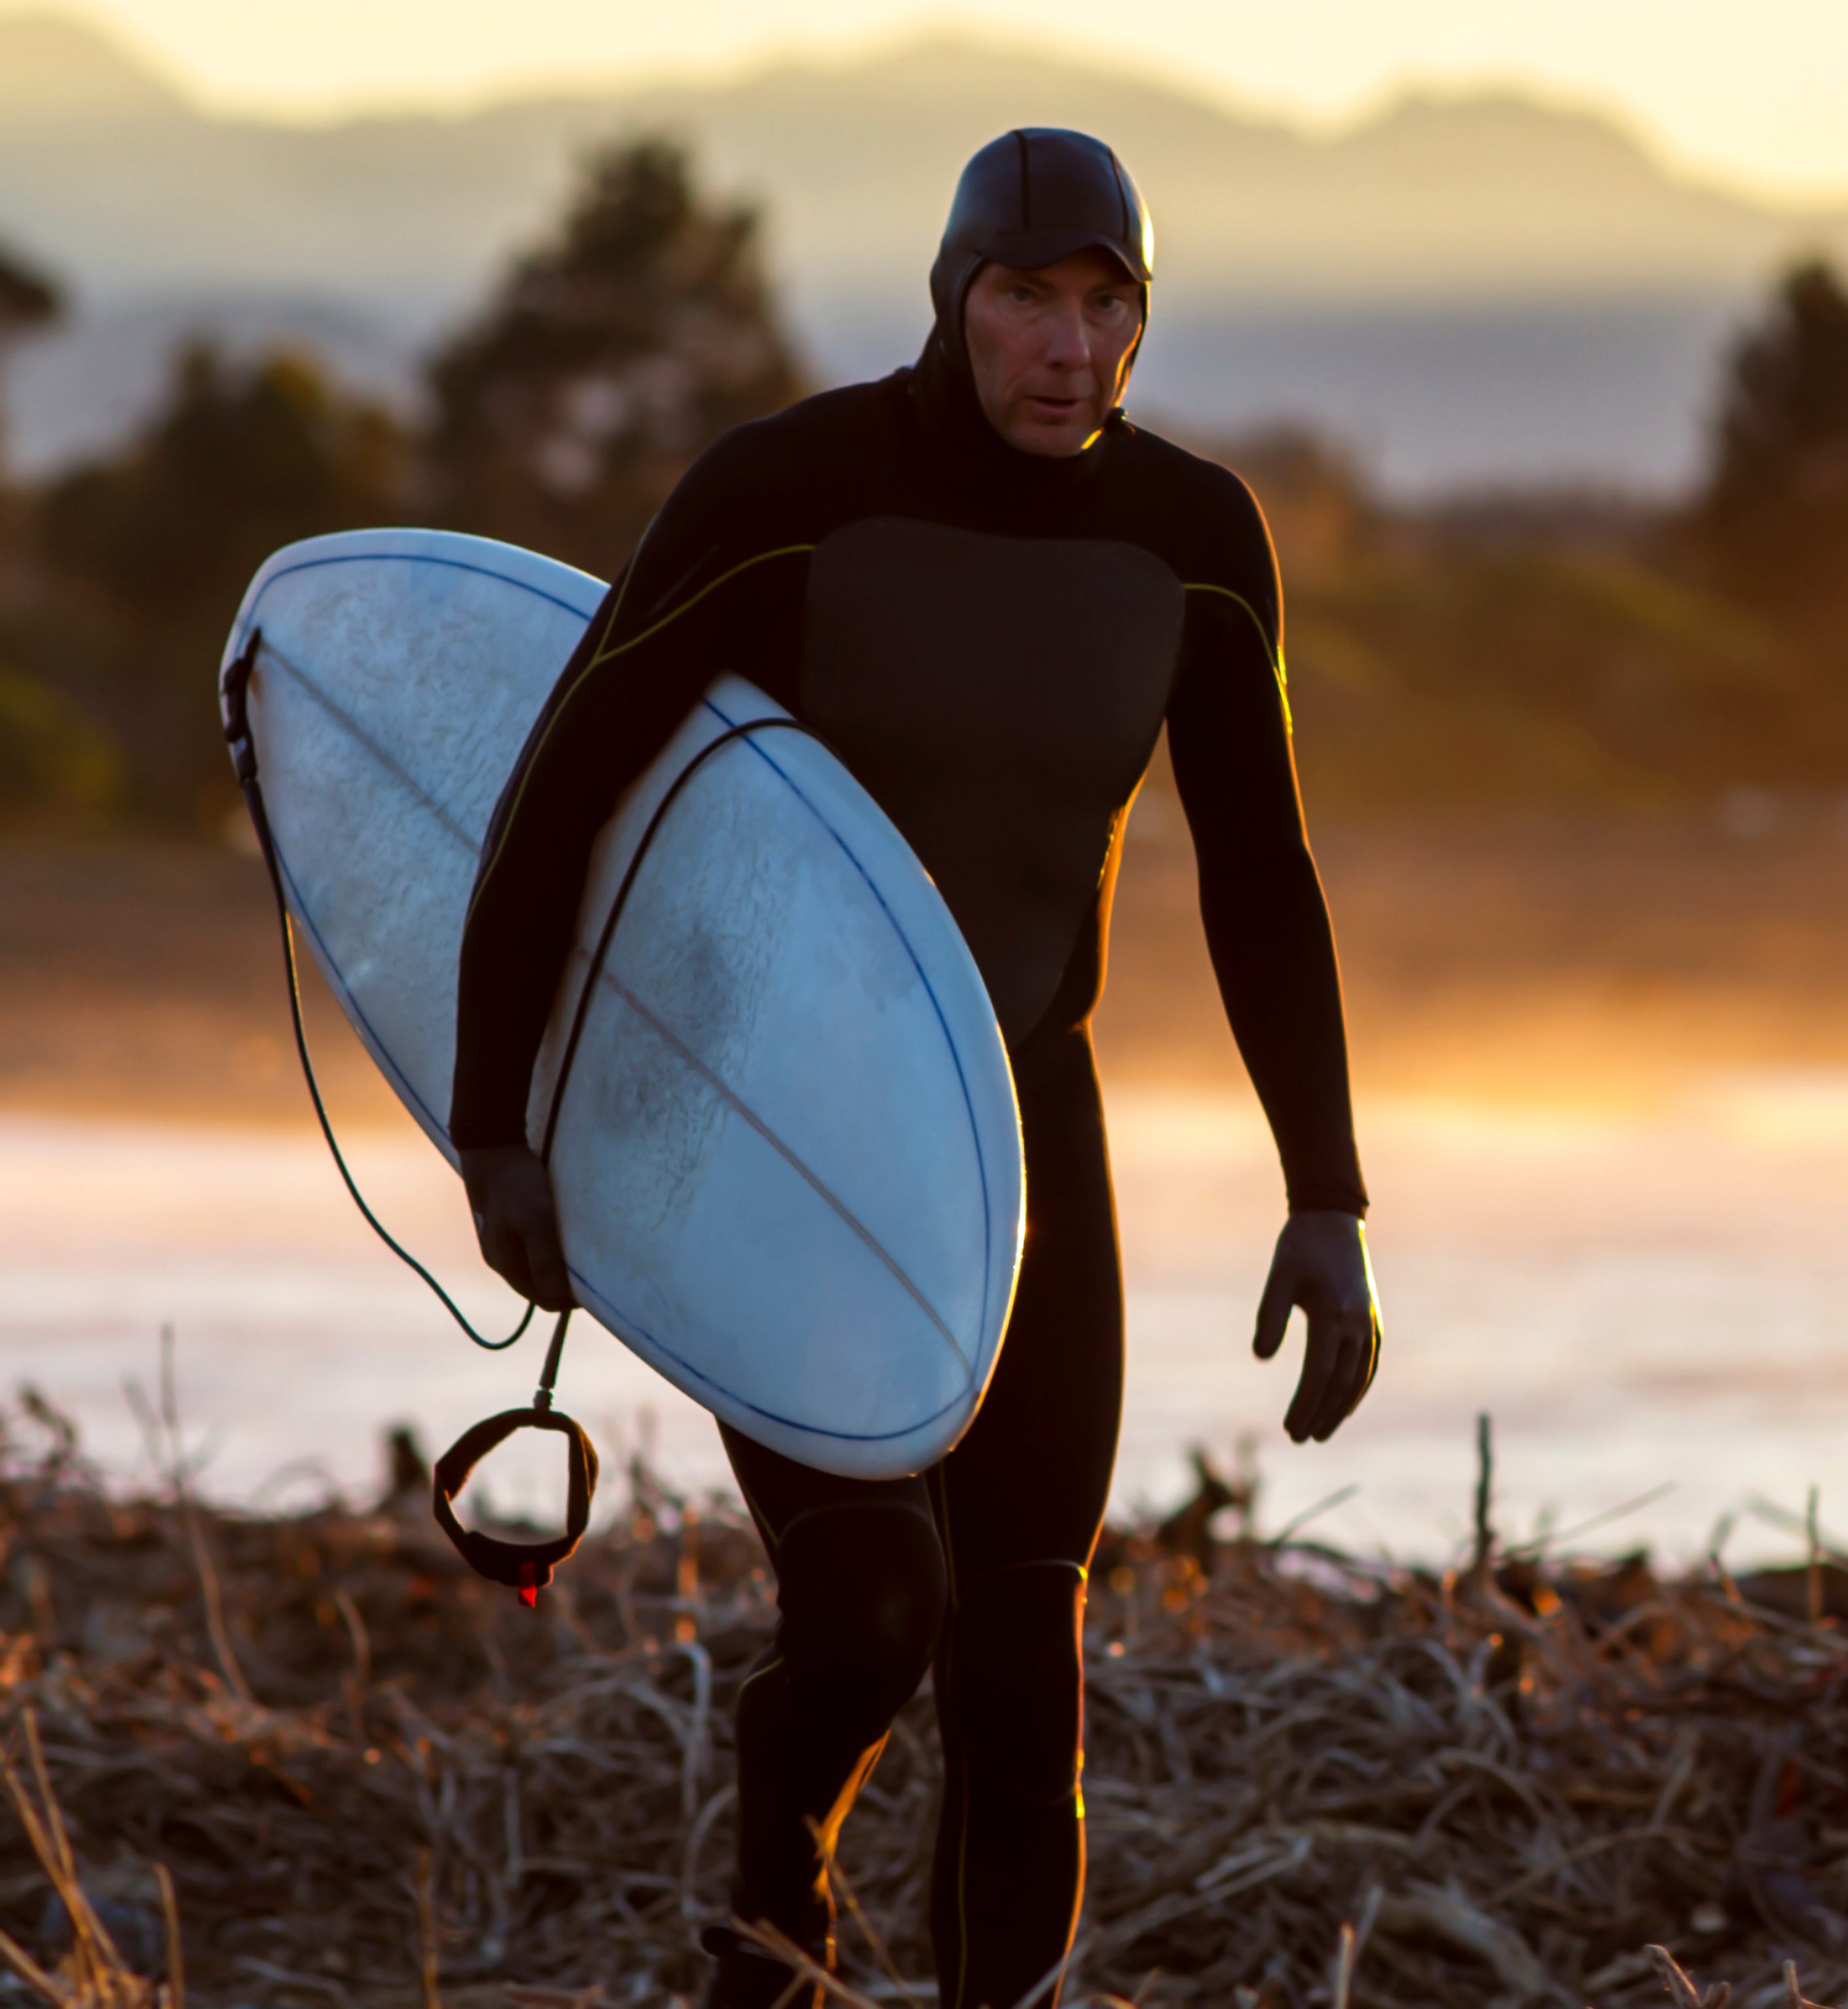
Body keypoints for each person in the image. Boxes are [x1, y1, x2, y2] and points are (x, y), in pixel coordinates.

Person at [447, 128, 1383, 2009]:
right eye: (1027, 297)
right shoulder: (792, 491)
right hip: (778, 1138)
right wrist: (498, 1126)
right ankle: (774, 1922)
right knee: (878, 1608)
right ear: (955, 300)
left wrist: (1327, 1196)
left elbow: (1263, 877)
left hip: (1027, 1134)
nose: (1068, 344)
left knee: (1026, 1657)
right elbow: (564, 787)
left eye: (1107, 301)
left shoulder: (1193, 540)